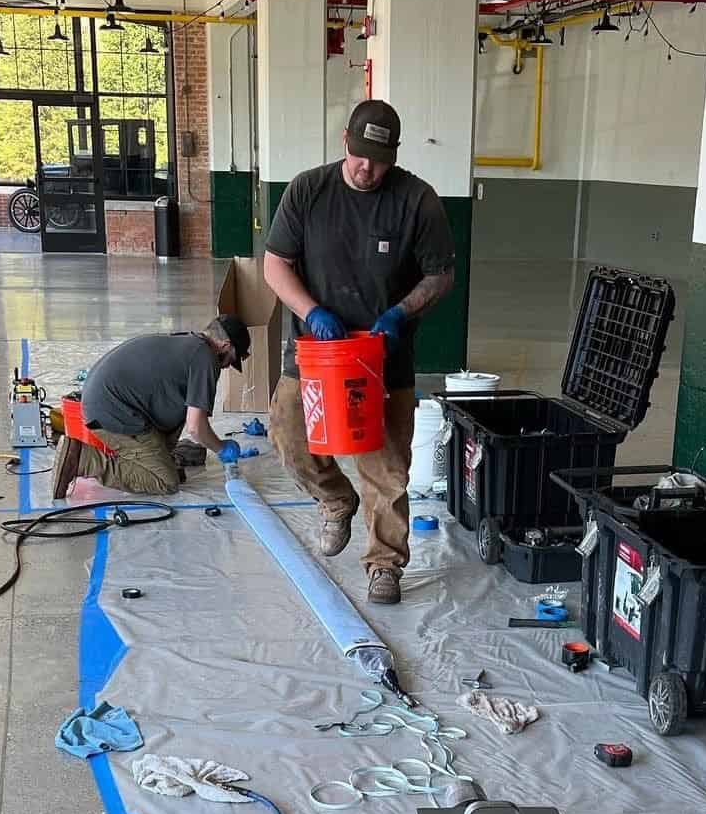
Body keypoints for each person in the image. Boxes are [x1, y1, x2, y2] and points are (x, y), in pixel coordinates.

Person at [262, 100, 456, 605]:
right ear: (345, 139)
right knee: (289, 434)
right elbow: (276, 264)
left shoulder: (416, 200)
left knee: (386, 464)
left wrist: (401, 312)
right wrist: (310, 311)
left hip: (382, 356)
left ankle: (385, 564)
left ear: (395, 156)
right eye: (360, 154)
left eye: (380, 160)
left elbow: (440, 275)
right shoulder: (308, 190)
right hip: (316, 351)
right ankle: (334, 499)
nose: (367, 168)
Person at [52, 315, 252, 500]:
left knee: (190, 447)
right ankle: (83, 459)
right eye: (231, 359)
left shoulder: (188, 342)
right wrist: (221, 448)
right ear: (225, 346)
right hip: (113, 411)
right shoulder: (206, 358)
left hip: (107, 401)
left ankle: (155, 458)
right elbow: (196, 427)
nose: (227, 366)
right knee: (166, 481)